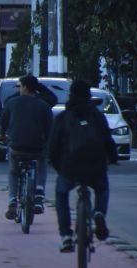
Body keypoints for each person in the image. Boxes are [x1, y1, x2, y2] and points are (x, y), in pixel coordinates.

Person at [48, 79, 118, 253]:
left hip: (70, 167)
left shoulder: (63, 117)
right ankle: (99, 212)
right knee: (102, 188)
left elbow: (53, 147)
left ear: (70, 95)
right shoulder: (97, 116)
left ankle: (65, 235)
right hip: (96, 166)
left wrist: (59, 167)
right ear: (89, 96)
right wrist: (113, 158)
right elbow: (108, 141)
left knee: (61, 193)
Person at [0, 74, 53, 219]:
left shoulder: (11, 102)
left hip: (17, 147)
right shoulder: (44, 105)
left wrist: (2, 135)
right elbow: (49, 129)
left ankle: (12, 202)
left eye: (20, 86)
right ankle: (39, 196)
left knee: (13, 171)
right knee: (42, 162)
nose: (19, 89)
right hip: (37, 148)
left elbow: (2, 124)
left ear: (26, 88)